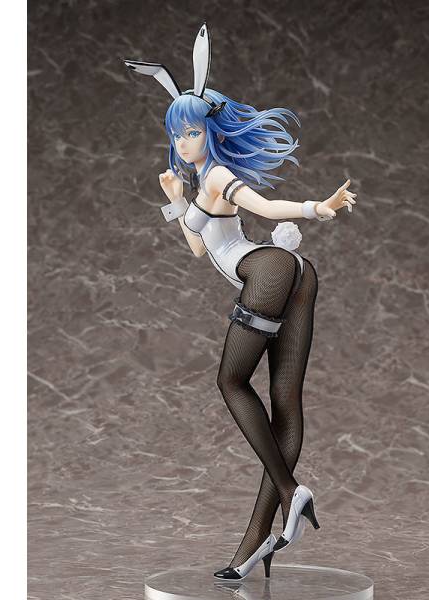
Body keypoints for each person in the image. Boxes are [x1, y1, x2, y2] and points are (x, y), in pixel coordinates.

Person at [124, 23, 357, 581]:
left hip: (269, 269)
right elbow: (199, 247)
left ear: (211, 131)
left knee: (230, 382)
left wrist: (318, 208)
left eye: (191, 132)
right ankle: (256, 544)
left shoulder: (219, 176)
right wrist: (175, 201)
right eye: (176, 134)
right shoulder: (200, 182)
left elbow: (266, 208)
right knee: (284, 403)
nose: (184, 142)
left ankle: (291, 490)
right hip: (294, 273)